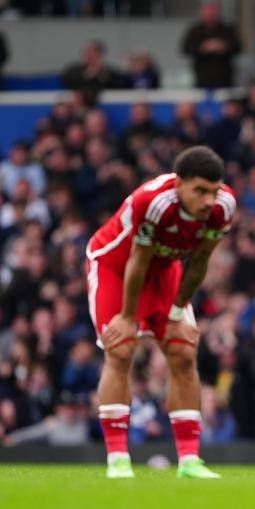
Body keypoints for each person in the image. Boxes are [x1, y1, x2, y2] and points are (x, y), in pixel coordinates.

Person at [85, 146, 236, 479]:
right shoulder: (152, 201)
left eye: (213, 190)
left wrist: (178, 313)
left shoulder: (223, 206)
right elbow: (137, 261)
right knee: (121, 350)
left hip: (164, 271)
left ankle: (190, 462)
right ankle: (118, 460)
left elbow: (199, 263)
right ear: (178, 183)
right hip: (115, 266)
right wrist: (127, 317)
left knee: (183, 353)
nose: (209, 199)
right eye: (199, 191)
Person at [181, 1, 240, 88]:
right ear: (202, 12)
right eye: (208, 12)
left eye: (213, 12)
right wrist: (202, 48)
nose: (210, 15)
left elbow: (238, 47)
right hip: (202, 76)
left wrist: (224, 47)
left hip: (224, 76)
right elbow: (185, 48)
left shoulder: (227, 29)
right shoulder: (195, 30)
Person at [60, 39, 125, 93]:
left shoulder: (110, 72)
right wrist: (87, 75)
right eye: (86, 52)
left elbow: (120, 86)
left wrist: (103, 77)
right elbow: (66, 82)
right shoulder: (74, 70)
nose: (86, 54)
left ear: (99, 54)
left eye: (90, 52)